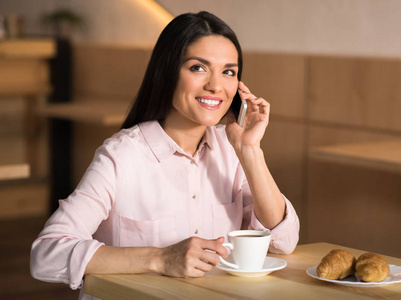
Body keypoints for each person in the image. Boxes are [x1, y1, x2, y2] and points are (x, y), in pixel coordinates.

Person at [30, 11, 299, 299]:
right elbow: (46, 255)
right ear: (167, 71)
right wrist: (159, 258)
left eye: (228, 71)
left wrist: (249, 150)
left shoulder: (232, 150)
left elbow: (283, 240)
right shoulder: (121, 155)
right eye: (198, 68)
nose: (216, 85)